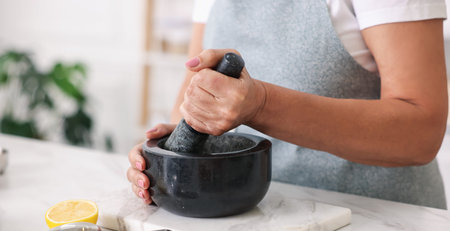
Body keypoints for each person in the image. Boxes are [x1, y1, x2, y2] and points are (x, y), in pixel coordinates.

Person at [127, 0, 449, 209]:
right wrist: (168, 156)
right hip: (261, 228)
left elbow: (423, 129)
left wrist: (261, 105)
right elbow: (193, 93)